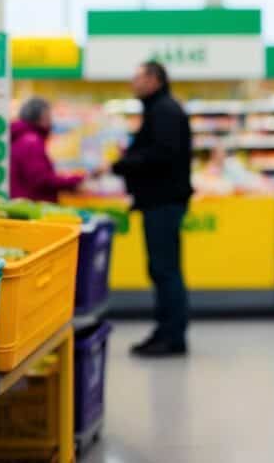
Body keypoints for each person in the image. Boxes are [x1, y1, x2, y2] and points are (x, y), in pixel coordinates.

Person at [112, 61, 193, 357]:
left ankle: (172, 337)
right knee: (162, 269)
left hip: (164, 201)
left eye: (138, 77)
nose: (133, 82)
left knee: (165, 269)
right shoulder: (160, 109)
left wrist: (123, 164)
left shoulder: (164, 111)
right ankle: (165, 331)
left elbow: (160, 155)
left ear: (155, 79)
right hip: (160, 200)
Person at [10, 97, 85, 203]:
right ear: (42, 116)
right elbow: (41, 180)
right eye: (49, 116)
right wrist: (77, 180)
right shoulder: (31, 141)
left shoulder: (23, 137)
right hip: (33, 206)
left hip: (25, 203)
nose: (52, 121)